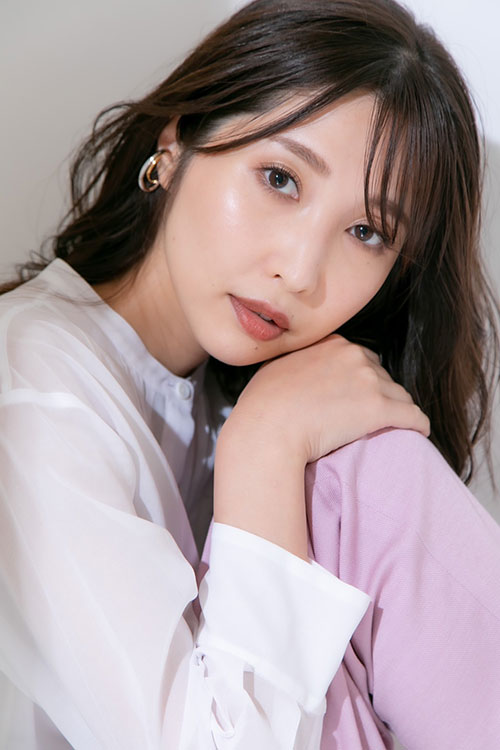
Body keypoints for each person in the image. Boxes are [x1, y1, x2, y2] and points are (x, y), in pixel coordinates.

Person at [1, 0, 499, 747]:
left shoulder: (261, 399)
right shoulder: (33, 393)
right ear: (177, 143)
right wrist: (266, 445)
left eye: (365, 231)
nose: (300, 271)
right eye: (280, 178)